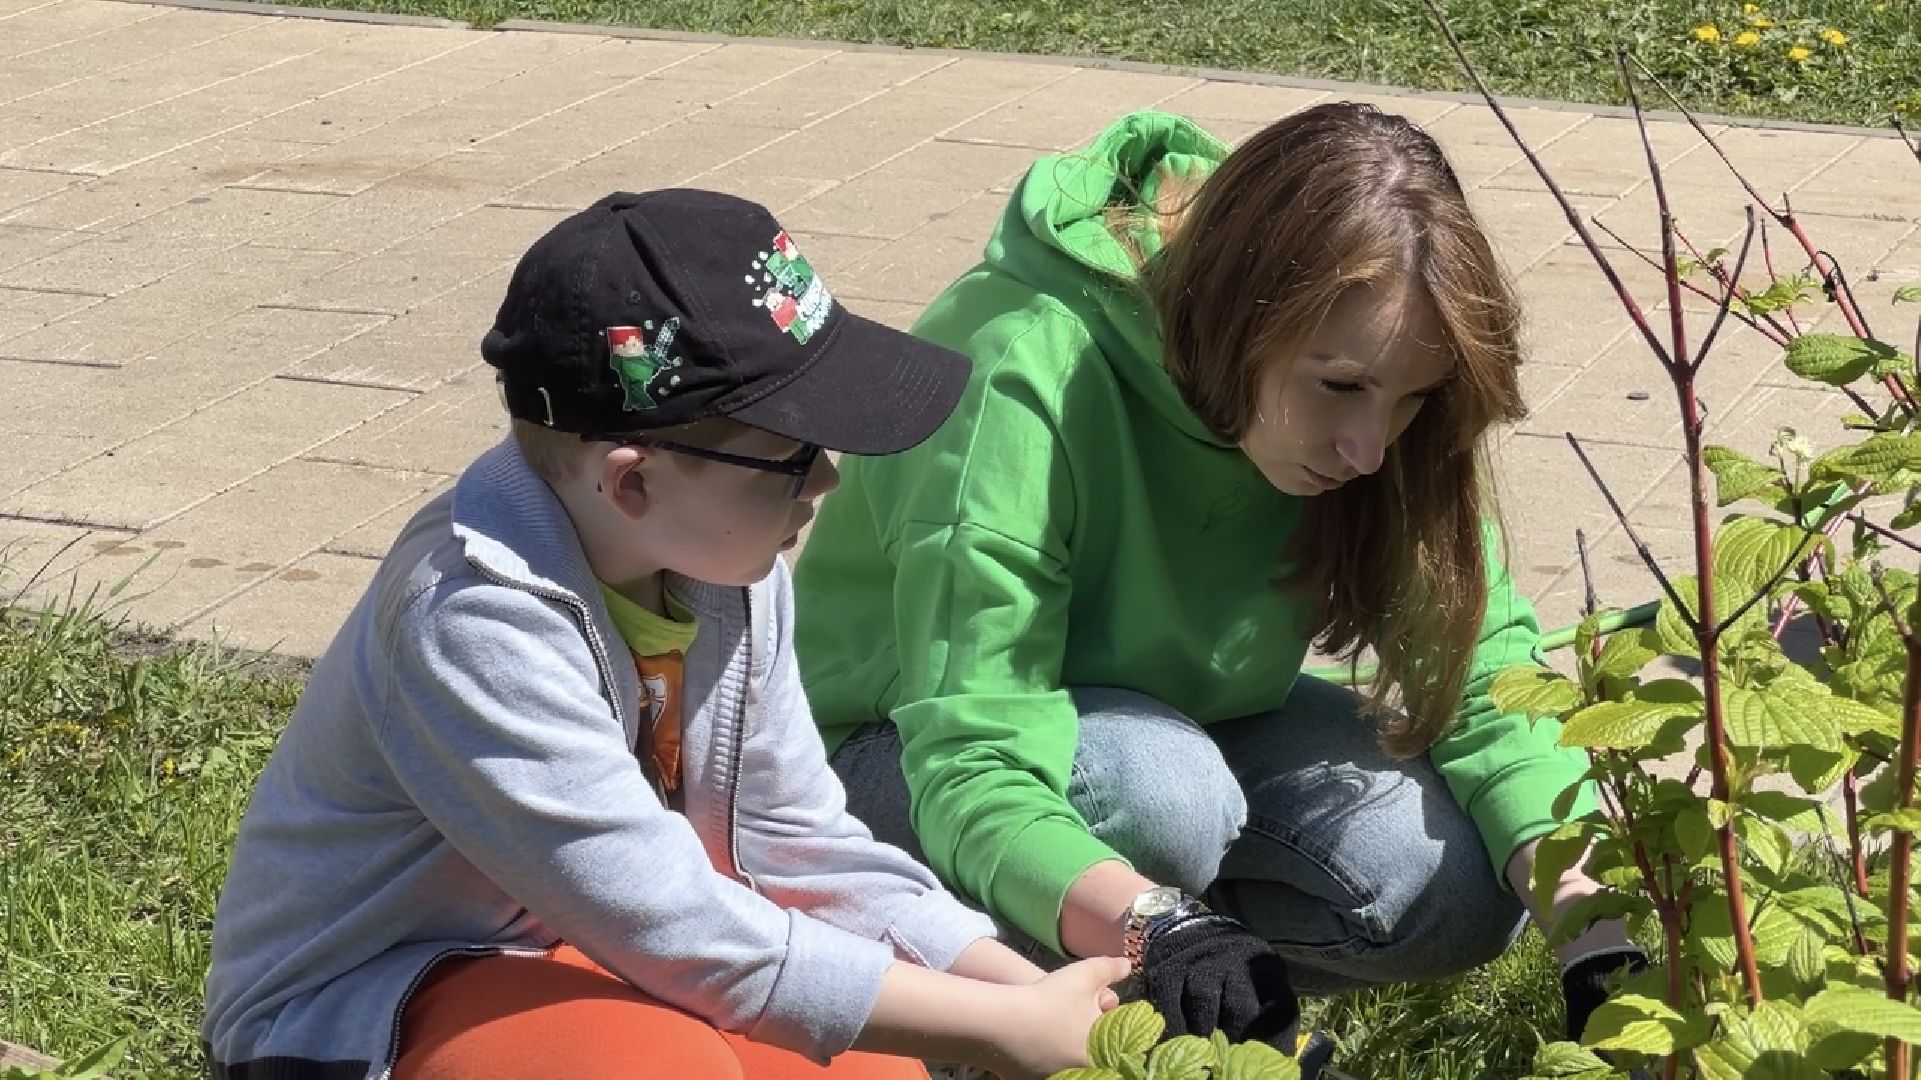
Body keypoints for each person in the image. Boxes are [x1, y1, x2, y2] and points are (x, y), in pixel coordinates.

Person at [199, 189, 1128, 1080]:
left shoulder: (727, 560)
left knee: (865, 1061)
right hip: (377, 1000)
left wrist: (1029, 994)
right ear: (633, 482)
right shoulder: (470, 616)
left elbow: (795, 842)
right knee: (651, 1068)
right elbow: (667, 925)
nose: (826, 485)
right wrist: (1002, 1032)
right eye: (791, 458)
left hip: (606, 951)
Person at [791, 104, 1649, 1056]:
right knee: (1163, 797)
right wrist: (1162, 924)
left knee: (1443, 885)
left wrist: (1595, 941)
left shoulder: (1369, 404)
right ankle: (1007, 1032)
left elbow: (1483, 676)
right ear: (1242, 314)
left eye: (1408, 400)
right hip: (894, 757)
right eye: (1338, 386)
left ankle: (1186, 1004)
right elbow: (971, 755)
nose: (1369, 448)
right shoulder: (1017, 368)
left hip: (1172, 728)